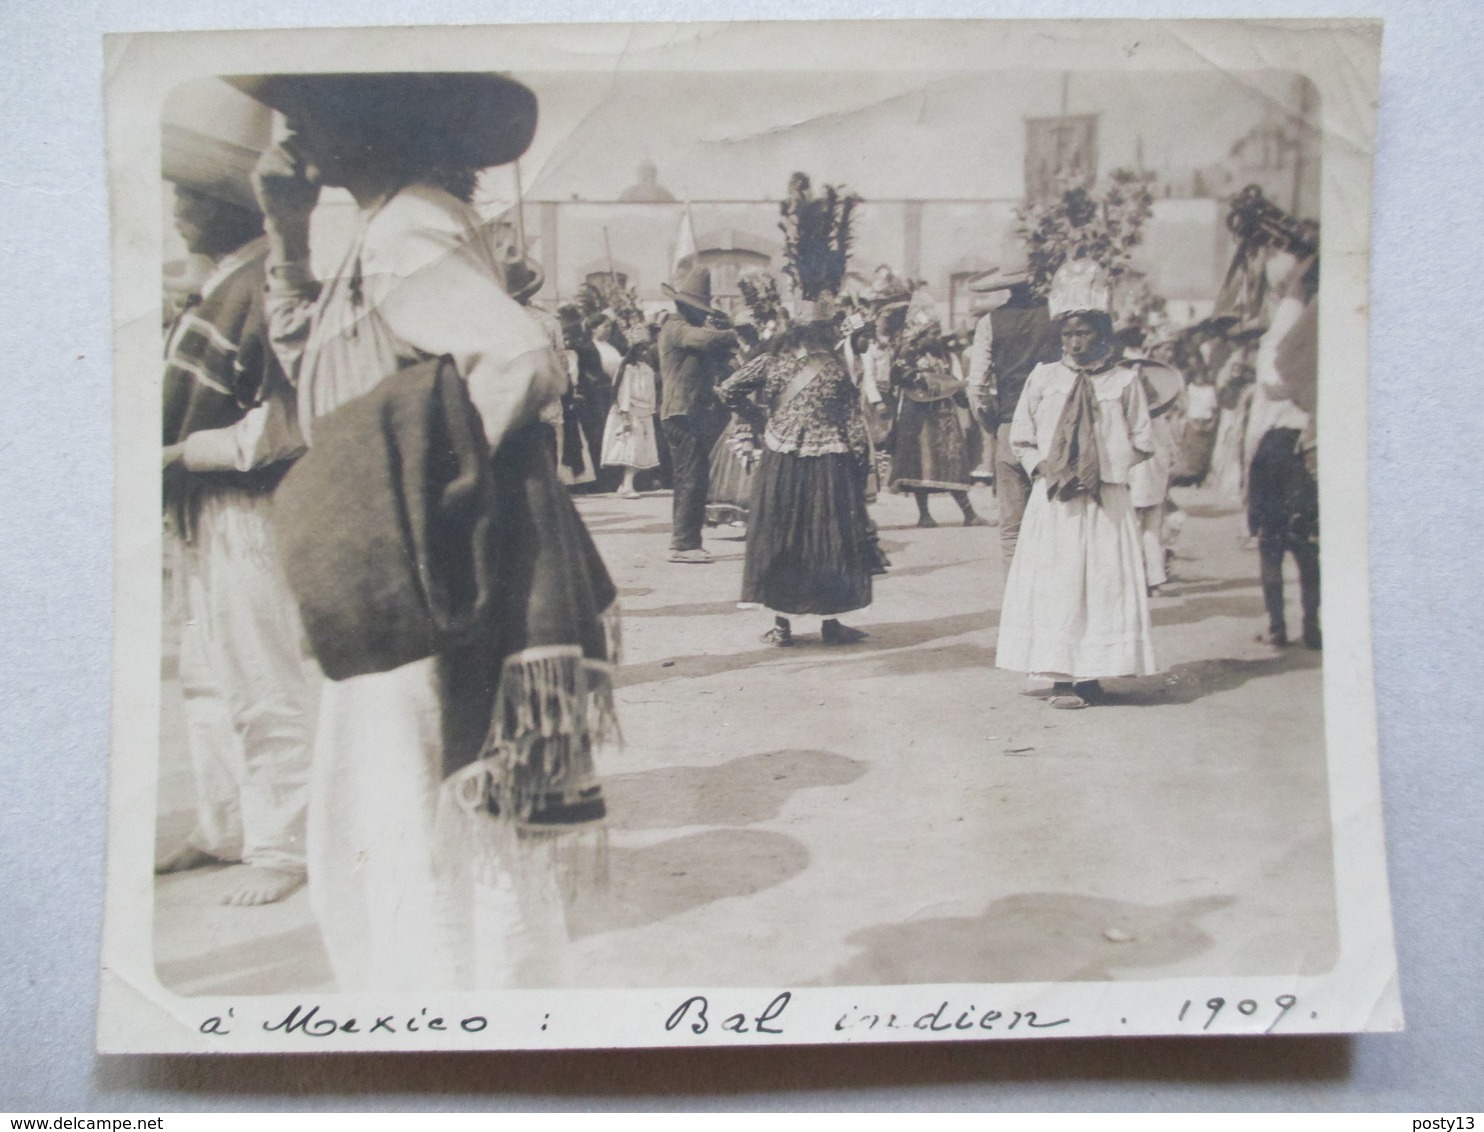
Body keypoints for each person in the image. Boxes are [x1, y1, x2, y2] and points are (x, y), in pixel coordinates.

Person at [244, 71, 617, 991]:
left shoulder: (407, 224)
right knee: (409, 818)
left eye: (307, 118)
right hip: (401, 567)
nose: (291, 141)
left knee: (411, 822)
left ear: (364, 123)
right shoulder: (393, 224)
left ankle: (449, 1041)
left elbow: (518, 356)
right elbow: (314, 370)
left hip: (422, 573)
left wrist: (428, 499)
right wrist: (288, 234)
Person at [157, 124, 316, 907]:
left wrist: (184, 455)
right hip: (201, 509)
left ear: (229, 206)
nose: (176, 204)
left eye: (189, 193)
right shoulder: (217, 281)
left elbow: (288, 421)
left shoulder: (264, 285)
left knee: (263, 678)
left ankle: (285, 844)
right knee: (206, 679)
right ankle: (224, 825)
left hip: (252, 508)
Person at [995, 260, 1158, 708]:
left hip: (1103, 498)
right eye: (1067, 334)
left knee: (1101, 583)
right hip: (1057, 499)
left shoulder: (1124, 381)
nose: (1074, 342)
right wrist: (1045, 467)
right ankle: (1061, 677)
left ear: (1102, 334)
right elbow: (1021, 435)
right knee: (1059, 582)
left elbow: (1144, 438)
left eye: (1083, 333)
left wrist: (1102, 463)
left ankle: (1091, 674)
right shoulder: (1044, 377)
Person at [718, 315, 874, 646]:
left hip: (781, 459)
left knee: (781, 535)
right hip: (831, 461)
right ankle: (831, 624)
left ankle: (781, 628)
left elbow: (728, 389)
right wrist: (860, 470)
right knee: (827, 537)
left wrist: (760, 417)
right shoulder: (834, 368)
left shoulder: (770, 361)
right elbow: (854, 425)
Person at [1245, 250, 1321, 649]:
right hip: (1307, 444)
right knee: (1307, 544)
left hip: (1277, 445)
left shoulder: (1278, 342)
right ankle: (1312, 625)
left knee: (1272, 543)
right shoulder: (1316, 334)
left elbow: (1271, 393)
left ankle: (1278, 626)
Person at [966, 260, 1063, 566]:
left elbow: (976, 387)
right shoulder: (1057, 316)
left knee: (1011, 530)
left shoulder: (990, 323)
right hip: (1053, 426)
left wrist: (990, 421)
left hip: (1009, 424)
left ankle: (1015, 605)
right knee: (1057, 521)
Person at [657, 267, 738, 563]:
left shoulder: (690, 330)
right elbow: (708, 340)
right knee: (691, 477)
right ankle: (684, 544)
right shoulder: (676, 326)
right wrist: (731, 330)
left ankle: (685, 540)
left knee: (692, 477)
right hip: (680, 413)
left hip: (690, 412)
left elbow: (718, 355)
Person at [887, 318, 990, 528]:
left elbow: (949, 382)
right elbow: (897, 374)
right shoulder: (908, 353)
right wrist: (917, 378)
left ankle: (969, 514)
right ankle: (924, 515)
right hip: (918, 416)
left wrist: (963, 395)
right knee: (921, 464)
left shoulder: (942, 355)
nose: (936, 338)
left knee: (953, 459)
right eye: (932, 334)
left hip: (944, 415)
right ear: (920, 335)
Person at [601, 335, 661, 498]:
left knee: (643, 449)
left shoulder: (648, 370)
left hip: (645, 411)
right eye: (641, 349)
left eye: (646, 349)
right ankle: (627, 485)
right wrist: (624, 412)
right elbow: (624, 390)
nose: (644, 353)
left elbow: (651, 392)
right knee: (631, 448)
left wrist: (652, 408)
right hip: (631, 411)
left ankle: (626, 484)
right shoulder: (628, 369)